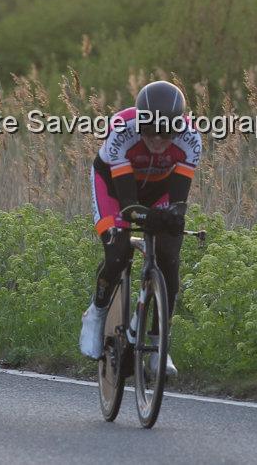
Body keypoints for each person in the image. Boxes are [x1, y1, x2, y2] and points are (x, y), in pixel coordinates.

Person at [78, 80, 202, 376]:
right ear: (140, 123)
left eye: (166, 134)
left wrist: (172, 217)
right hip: (114, 188)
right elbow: (128, 205)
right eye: (149, 132)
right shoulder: (122, 130)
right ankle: (95, 314)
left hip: (157, 189)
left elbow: (178, 202)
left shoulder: (191, 138)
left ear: (179, 127)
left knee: (169, 258)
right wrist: (146, 219)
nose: (158, 141)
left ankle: (160, 346)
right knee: (118, 251)